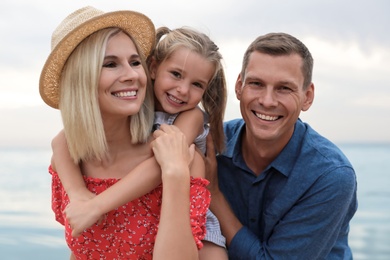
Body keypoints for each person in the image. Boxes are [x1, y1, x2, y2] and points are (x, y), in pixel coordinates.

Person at [40, 6, 211, 259]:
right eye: (110, 64)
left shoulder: (178, 154)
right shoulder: (69, 164)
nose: (132, 74)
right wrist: (77, 194)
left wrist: (174, 175)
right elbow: (81, 251)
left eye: (134, 62)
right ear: (80, 79)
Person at [205, 32, 358, 259]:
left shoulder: (330, 176)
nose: (267, 101)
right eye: (256, 84)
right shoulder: (210, 145)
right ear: (239, 86)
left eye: (284, 88)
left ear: (307, 96)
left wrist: (213, 195)